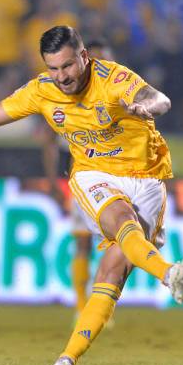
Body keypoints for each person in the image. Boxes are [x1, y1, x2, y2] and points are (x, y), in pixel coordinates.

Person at [0, 25, 183, 365]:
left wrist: (145, 106)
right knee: (121, 221)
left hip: (147, 175)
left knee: (114, 269)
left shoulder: (114, 78)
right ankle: (169, 274)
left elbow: (161, 99)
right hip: (93, 173)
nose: (61, 76)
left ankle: (65, 362)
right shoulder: (42, 91)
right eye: (53, 68)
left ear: (84, 57)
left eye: (67, 66)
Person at [41, 39, 115, 316]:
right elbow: (48, 139)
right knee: (83, 242)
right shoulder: (65, 98)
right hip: (84, 181)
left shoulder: (121, 94)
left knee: (119, 246)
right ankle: (82, 307)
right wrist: (51, 181)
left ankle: (103, 306)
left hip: (121, 180)